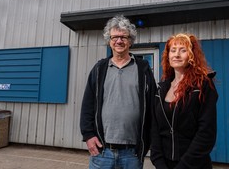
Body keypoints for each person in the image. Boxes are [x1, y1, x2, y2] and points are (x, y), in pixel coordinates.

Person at [80, 15, 156, 169]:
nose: (119, 41)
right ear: (109, 40)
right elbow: (88, 105)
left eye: (123, 37)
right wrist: (88, 135)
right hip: (102, 151)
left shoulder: (143, 69)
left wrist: (149, 141)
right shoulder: (99, 69)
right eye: (115, 37)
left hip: (132, 153)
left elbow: (153, 107)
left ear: (130, 41)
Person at [150, 33, 218, 169]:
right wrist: (159, 162)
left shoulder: (203, 85)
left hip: (194, 165)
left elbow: (206, 133)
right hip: (165, 164)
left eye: (183, 50)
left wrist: (183, 166)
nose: (176, 55)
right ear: (168, 56)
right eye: (173, 50)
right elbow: (155, 129)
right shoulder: (161, 89)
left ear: (192, 56)